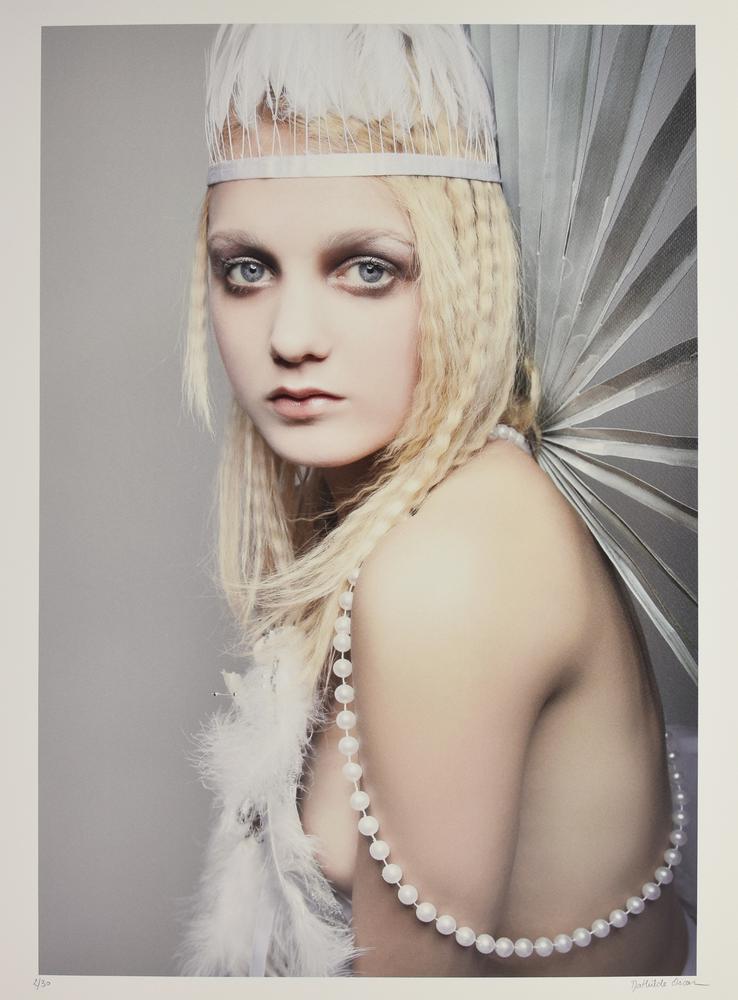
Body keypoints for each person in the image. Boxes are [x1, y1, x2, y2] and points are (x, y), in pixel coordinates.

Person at [178, 24, 696, 978]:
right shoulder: (434, 510)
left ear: (461, 275)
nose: (290, 335)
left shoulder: (450, 559)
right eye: (247, 268)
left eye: (367, 268)